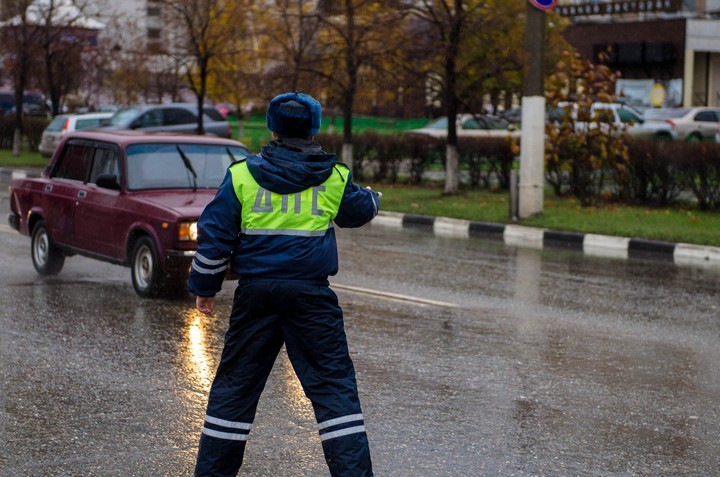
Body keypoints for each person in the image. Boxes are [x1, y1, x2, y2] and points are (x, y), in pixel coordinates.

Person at [188, 92, 379, 477]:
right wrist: (374, 198)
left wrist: (205, 288)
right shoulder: (334, 176)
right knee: (333, 391)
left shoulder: (241, 174)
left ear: (272, 128)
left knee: (235, 391)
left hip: (255, 295)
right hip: (312, 297)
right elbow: (359, 212)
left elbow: (215, 235)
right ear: (315, 129)